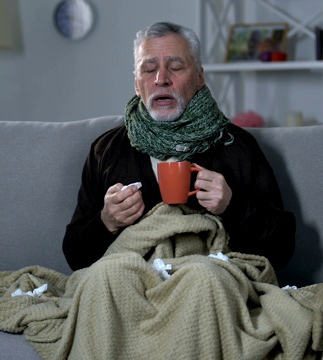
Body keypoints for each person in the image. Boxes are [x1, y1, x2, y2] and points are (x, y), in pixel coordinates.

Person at [62, 21, 295, 272]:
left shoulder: (236, 146)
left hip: (205, 283)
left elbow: (282, 250)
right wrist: (106, 221)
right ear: (136, 84)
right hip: (131, 284)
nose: (162, 79)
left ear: (199, 77)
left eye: (176, 67)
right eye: (149, 69)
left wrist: (232, 207)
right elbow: (76, 258)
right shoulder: (106, 150)